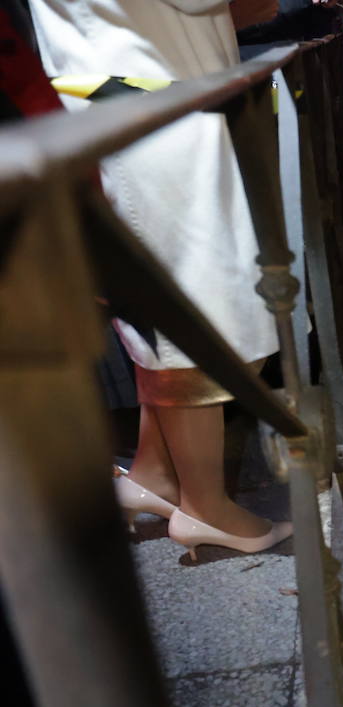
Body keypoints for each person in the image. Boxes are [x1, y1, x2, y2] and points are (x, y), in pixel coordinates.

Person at [32, 0, 292, 559]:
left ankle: (155, 473)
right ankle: (205, 507)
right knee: (191, 306)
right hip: (149, 100)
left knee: (165, 300)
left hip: (125, 92)